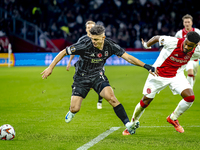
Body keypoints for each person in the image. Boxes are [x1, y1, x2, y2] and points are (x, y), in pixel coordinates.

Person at [41, 25, 157, 135]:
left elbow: (128, 58)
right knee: (75, 108)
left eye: (96, 39)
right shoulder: (85, 44)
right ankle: (72, 112)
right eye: (92, 39)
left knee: (111, 98)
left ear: (103, 37)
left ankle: (128, 124)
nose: (93, 42)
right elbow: (63, 52)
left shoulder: (110, 45)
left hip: (97, 76)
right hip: (81, 77)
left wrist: (146, 66)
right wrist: (50, 67)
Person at [123, 31, 200, 135]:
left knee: (190, 97)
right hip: (157, 74)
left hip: (176, 75)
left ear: (195, 45)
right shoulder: (172, 42)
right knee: (146, 101)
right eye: (186, 43)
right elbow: (156, 38)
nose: (186, 47)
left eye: (190, 46)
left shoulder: (197, 51)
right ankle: (132, 124)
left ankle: (173, 118)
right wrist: (146, 45)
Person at [66, 21, 104, 109]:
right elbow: (73, 50)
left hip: (97, 65)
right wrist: (69, 62)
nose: (90, 29)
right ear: (86, 29)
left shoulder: (100, 38)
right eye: (88, 28)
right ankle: (74, 103)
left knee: (101, 83)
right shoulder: (82, 40)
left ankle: (100, 101)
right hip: (84, 67)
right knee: (78, 83)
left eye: (92, 28)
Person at [175, 14, 200, 89]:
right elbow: (175, 44)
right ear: (183, 23)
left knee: (193, 75)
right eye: (185, 22)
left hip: (195, 58)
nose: (187, 24)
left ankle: (190, 89)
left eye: (188, 22)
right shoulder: (179, 33)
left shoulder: (197, 31)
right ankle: (190, 92)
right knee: (190, 73)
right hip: (186, 58)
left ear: (191, 23)